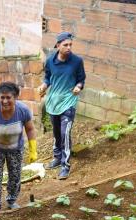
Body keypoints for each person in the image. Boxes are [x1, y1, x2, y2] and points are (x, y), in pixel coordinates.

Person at [0, 81, 37, 213]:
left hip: (15, 149)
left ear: (15, 97)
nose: (5, 101)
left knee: (15, 176)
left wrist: (33, 149)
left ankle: (11, 200)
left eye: (8, 97)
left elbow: (30, 129)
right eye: (2, 97)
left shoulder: (23, 110)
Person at [38, 31, 86, 180]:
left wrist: (78, 86)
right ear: (58, 46)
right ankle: (57, 158)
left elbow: (81, 79)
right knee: (57, 132)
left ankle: (65, 165)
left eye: (71, 45)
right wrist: (44, 86)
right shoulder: (50, 61)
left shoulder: (77, 61)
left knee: (65, 133)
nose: (69, 47)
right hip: (53, 102)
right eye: (65, 45)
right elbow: (48, 78)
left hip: (68, 101)